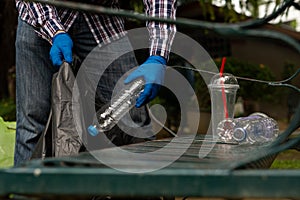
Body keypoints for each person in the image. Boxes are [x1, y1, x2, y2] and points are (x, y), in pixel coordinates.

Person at [14, 0, 177, 166]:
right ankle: (24, 189)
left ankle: (147, 188)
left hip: (102, 21)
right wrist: (54, 30)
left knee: (134, 120)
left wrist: (158, 56)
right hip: (40, 15)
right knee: (33, 123)